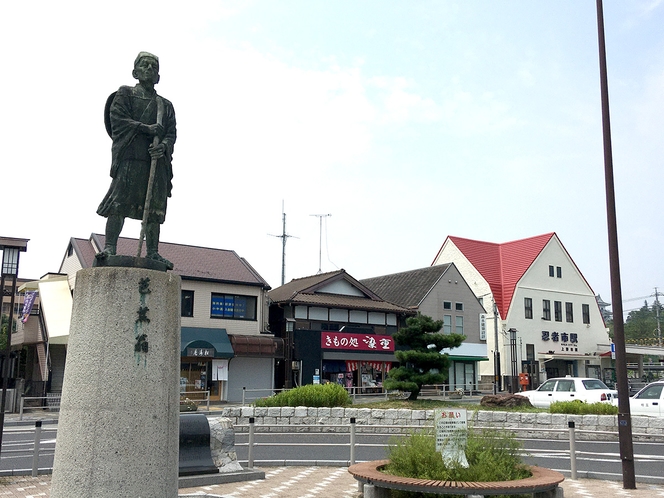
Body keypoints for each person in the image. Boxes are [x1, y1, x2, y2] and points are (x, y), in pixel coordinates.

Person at [96, 51, 176, 269]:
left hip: (154, 163)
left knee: (154, 209)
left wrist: (163, 146)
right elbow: (117, 120)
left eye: (154, 66)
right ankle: (110, 247)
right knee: (118, 203)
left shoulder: (165, 105)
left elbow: (171, 133)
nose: (150, 69)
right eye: (145, 65)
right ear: (135, 71)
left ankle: (153, 252)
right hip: (131, 158)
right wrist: (145, 128)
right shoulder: (125, 94)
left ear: (158, 75)